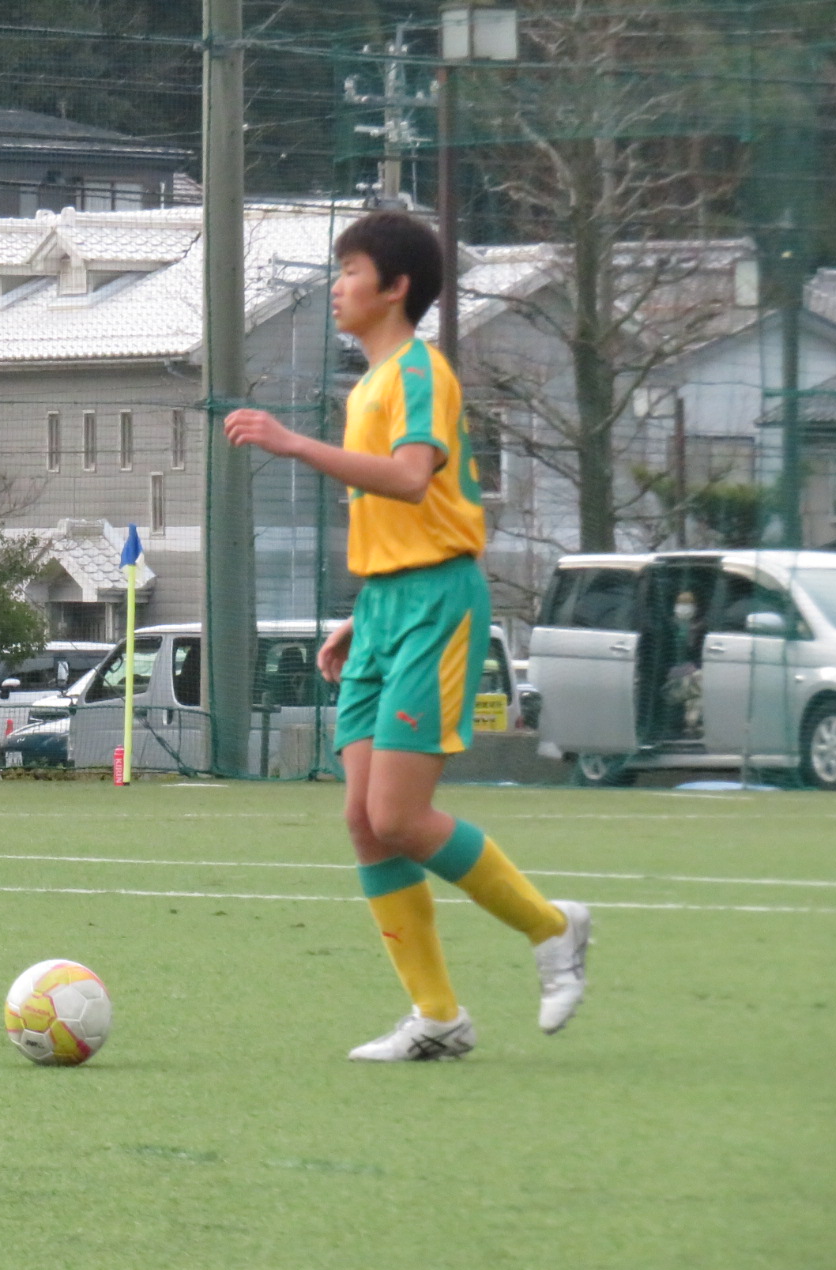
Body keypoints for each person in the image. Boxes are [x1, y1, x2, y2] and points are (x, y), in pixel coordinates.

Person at [224, 210, 590, 1061]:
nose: (338, 286)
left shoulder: (420, 372)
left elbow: (411, 478)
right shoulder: (369, 386)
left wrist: (293, 444)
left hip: (435, 605)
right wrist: (364, 612)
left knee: (398, 814)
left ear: (395, 288)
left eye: (351, 271)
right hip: (388, 605)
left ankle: (552, 927)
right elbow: (401, 513)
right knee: (364, 821)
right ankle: (438, 1017)